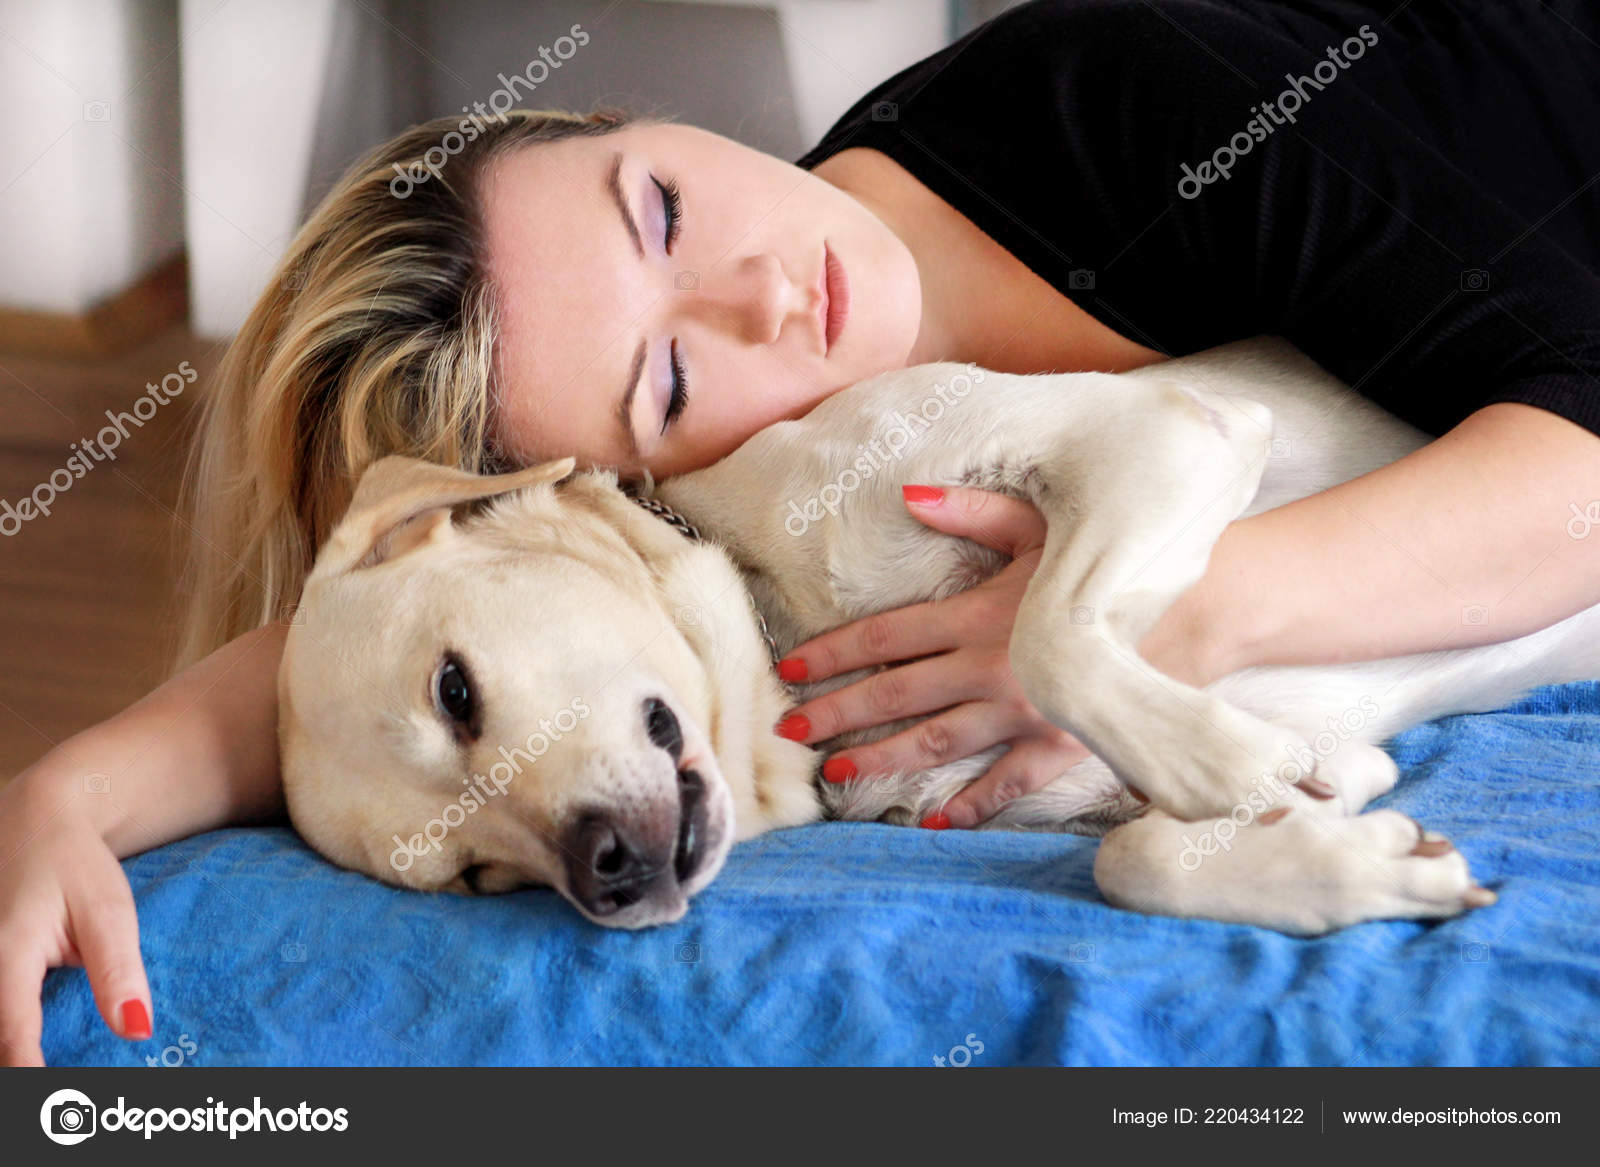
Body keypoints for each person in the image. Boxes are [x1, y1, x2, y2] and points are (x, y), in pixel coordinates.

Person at [3, 0, 1597, 1065]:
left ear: (639, 117)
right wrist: (61, 792)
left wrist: (1147, 627)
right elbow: (407, 640)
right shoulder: (707, 509)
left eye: (664, 211)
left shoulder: (1141, 111)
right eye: (672, 376)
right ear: (601, 498)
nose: (770, 294)